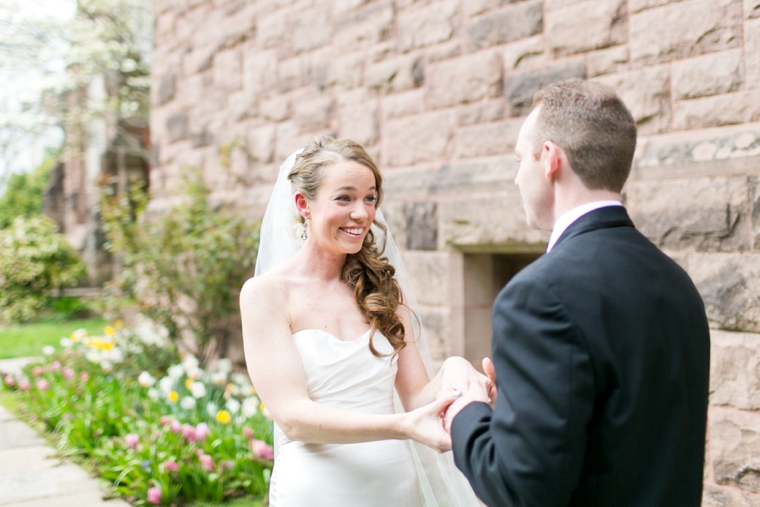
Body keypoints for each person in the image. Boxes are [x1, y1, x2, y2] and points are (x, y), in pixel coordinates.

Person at [442, 80, 711, 506]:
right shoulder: (677, 282)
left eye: (519, 160)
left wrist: (466, 412)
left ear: (549, 158)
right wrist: (516, 409)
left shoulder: (537, 295)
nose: (516, 179)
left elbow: (521, 491)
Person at [240, 136, 484, 507]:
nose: (362, 213)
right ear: (303, 204)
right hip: (317, 489)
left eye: (370, 198)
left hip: (395, 486)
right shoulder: (266, 295)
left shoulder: (384, 292)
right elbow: (293, 418)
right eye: (345, 198)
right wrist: (402, 427)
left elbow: (416, 396)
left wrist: (457, 374)